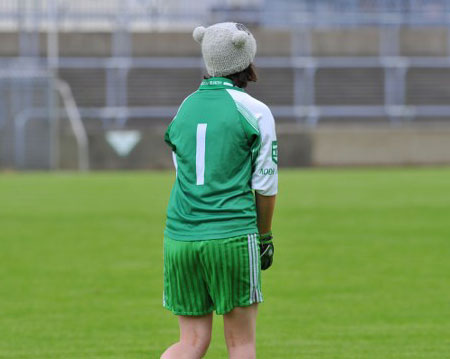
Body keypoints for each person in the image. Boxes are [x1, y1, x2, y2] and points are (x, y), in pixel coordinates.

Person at [161, 22, 278, 359]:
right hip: (231, 235)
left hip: (180, 237)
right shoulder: (255, 111)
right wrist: (265, 237)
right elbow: (266, 184)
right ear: (247, 57)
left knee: (191, 341)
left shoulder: (185, 107)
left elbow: (181, 169)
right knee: (241, 343)